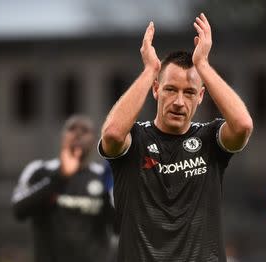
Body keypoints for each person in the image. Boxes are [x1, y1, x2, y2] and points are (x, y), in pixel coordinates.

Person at [98, 13, 253, 261]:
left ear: (201, 96)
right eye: (170, 89)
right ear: (157, 90)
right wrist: (150, 70)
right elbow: (113, 134)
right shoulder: (136, 139)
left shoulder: (209, 139)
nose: (179, 102)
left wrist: (203, 65)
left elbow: (243, 125)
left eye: (189, 92)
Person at [11, 115, 116, 262]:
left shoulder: (102, 176)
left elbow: (118, 226)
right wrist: (61, 177)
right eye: (72, 128)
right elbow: (18, 209)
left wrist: (109, 190)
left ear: (94, 140)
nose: (78, 134)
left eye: (84, 130)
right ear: (62, 136)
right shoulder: (39, 171)